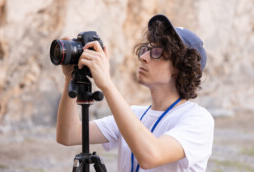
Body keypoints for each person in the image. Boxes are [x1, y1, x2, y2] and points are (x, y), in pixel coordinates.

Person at [56, 14, 214, 172]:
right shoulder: (135, 115)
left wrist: (107, 84)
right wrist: (70, 78)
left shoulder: (198, 119)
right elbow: (68, 135)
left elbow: (151, 156)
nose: (144, 57)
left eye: (157, 52)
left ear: (181, 68)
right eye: (147, 49)